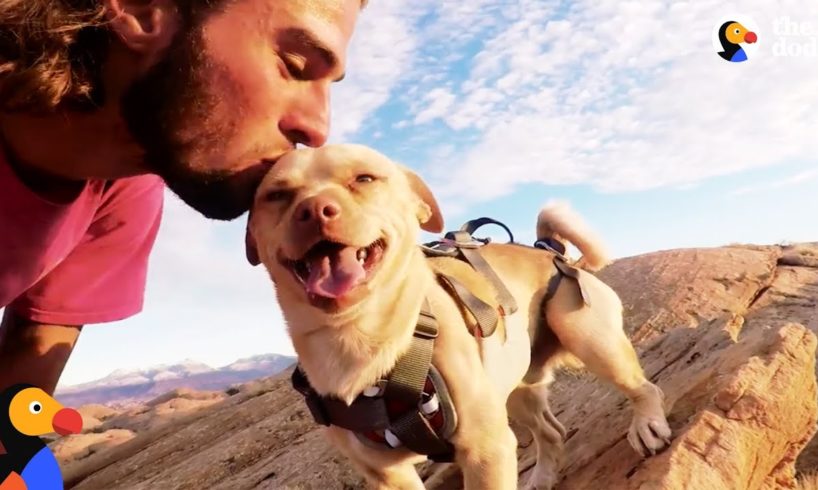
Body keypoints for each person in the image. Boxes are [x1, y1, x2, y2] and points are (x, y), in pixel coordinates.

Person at [0, 0, 366, 395]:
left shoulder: (123, 189)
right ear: (140, 10)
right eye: (294, 65)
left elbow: (21, 388)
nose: (317, 128)